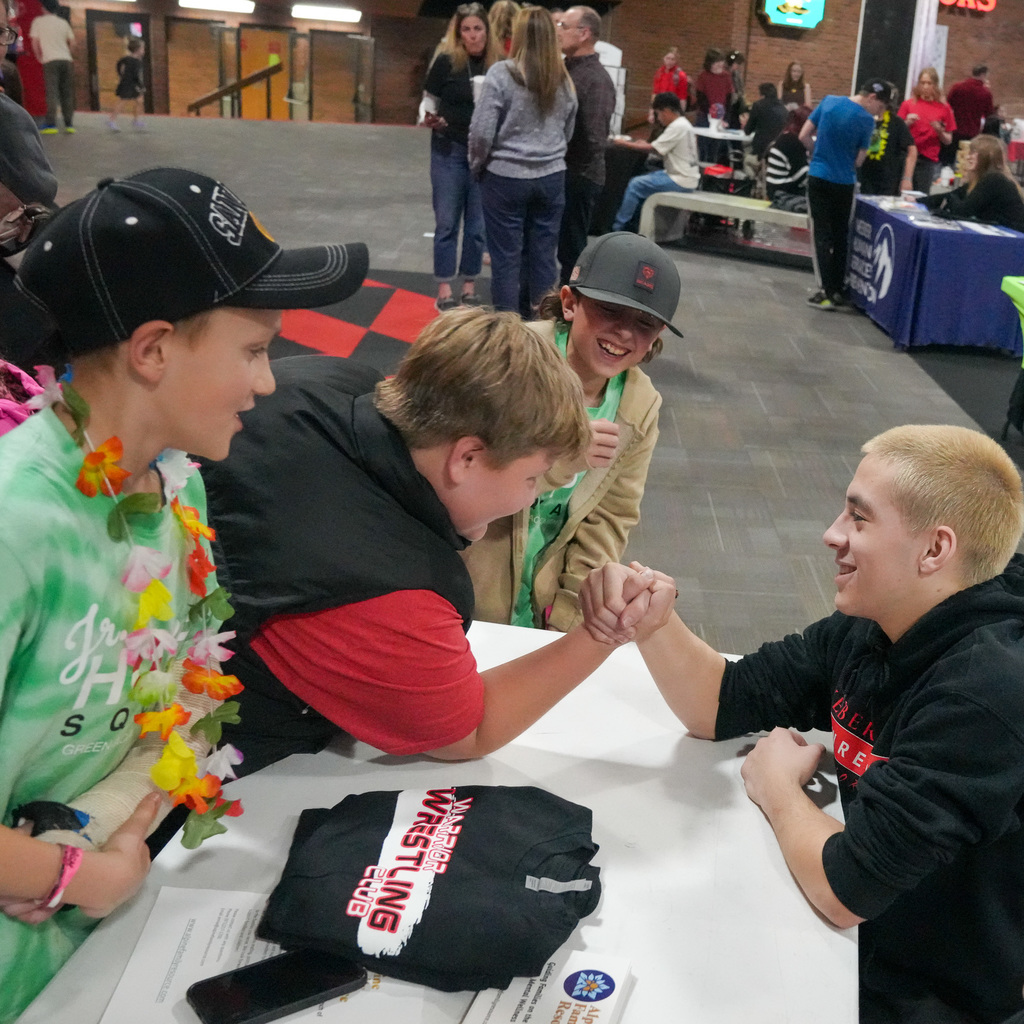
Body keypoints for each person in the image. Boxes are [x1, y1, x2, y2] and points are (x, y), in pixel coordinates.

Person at [0, 166, 368, 1023]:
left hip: (89, 939)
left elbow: (178, 703)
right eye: (253, 349)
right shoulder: (17, 524)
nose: (268, 382)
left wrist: (116, 832)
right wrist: (77, 873)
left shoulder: (177, 487)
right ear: (154, 349)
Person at [581, 423, 1024, 1024]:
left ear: (934, 550)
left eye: (859, 519)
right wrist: (655, 622)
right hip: (845, 931)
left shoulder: (986, 695)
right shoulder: (878, 620)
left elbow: (847, 891)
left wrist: (779, 789)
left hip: (924, 987)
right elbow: (721, 700)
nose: (830, 534)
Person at [196, 307, 643, 778]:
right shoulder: (387, 596)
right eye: (532, 477)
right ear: (466, 457)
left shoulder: (330, 376)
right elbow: (468, 733)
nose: (532, 495)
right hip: (202, 782)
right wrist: (599, 634)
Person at [463, 232, 678, 631]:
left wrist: (570, 612)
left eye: (645, 323)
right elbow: (462, 486)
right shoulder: (512, 361)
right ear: (569, 303)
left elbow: (610, 518)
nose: (624, 334)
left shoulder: (639, 404)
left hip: (537, 609)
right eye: (610, 310)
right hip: (465, 590)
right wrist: (562, 460)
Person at [468, 5, 577, 316]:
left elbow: (481, 132)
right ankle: (541, 327)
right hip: (551, 178)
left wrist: (477, 166)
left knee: (505, 259)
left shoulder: (502, 74)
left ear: (517, 34)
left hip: (505, 178)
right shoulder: (564, 79)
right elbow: (568, 130)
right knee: (544, 258)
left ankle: (509, 329)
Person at [421, 2, 498, 312]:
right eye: (465, 29)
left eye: (477, 28)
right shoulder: (446, 62)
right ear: (458, 32)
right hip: (448, 148)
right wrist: (430, 118)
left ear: (487, 31)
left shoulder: (497, 66)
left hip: (483, 155)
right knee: (447, 222)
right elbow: (428, 101)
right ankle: (443, 287)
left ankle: (469, 284)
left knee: (477, 226)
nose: (472, 35)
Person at [799, 79, 890, 310]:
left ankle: (825, 291)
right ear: (872, 97)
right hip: (845, 182)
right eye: (880, 107)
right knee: (841, 235)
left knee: (820, 234)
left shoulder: (829, 102)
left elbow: (803, 135)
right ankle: (838, 289)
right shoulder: (867, 122)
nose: (878, 114)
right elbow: (860, 160)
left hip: (819, 176)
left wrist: (817, 153)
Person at [554, 5, 615, 285]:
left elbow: (594, 139)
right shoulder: (567, 70)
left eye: (563, 26)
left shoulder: (595, 80)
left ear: (584, 33)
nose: (558, 32)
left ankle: (571, 312)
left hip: (579, 175)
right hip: (561, 171)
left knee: (571, 250)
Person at [610, 92, 698, 232]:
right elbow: (658, 146)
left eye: (658, 114)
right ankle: (635, 223)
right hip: (684, 176)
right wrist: (641, 143)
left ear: (666, 111)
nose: (659, 119)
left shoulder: (677, 126)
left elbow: (653, 148)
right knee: (646, 176)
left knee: (635, 185)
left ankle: (618, 227)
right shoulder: (684, 124)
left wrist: (623, 143)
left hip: (680, 179)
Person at [922, 134, 1024, 233]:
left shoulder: (994, 180)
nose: (968, 157)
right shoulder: (985, 179)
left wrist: (949, 199)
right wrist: (916, 201)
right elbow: (953, 195)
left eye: (973, 153)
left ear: (986, 157)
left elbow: (962, 211)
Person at [898, 67, 955, 195]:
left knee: (920, 196)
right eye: (922, 83)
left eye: (929, 83)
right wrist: (907, 122)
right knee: (900, 193)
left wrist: (939, 130)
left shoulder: (944, 109)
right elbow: (897, 131)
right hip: (906, 156)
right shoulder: (908, 104)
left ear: (935, 85)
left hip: (927, 159)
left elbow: (948, 140)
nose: (925, 86)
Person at [858, 84, 917, 197]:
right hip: (864, 177)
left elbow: (912, 150)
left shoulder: (896, 123)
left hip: (887, 182)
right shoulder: (864, 119)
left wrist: (907, 178)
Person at [29, 0, 74, 134]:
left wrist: (39, 57)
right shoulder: (63, 22)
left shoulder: (38, 21)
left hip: (50, 59)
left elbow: (35, 42)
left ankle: (51, 125)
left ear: (43, 7)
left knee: (52, 92)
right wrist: (67, 53)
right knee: (66, 92)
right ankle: (69, 124)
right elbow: (72, 42)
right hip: (66, 60)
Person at [765, 104, 810, 201]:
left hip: (776, 189)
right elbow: (801, 174)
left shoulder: (787, 137)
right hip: (783, 192)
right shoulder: (792, 141)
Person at [694, 48, 732, 163]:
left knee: (715, 149)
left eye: (721, 61)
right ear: (710, 63)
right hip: (705, 116)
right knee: (703, 148)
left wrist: (724, 117)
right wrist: (711, 114)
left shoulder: (726, 76)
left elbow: (729, 98)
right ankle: (701, 173)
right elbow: (701, 98)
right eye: (717, 62)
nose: (720, 64)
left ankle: (711, 175)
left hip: (720, 116)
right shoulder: (703, 76)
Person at [946, 64, 995, 148]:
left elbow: (947, 105)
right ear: (983, 75)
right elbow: (989, 114)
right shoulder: (985, 93)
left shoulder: (957, 87)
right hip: (973, 132)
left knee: (951, 158)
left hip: (955, 130)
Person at [741, 82, 788, 166]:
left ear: (762, 94)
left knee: (745, 159)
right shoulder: (783, 107)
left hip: (761, 150)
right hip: (777, 150)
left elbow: (748, 131)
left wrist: (745, 123)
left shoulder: (758, 105)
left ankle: (751, 178)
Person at [107, 37, 145, 132]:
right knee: (122, 101)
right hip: (129, 84)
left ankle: (136, 120)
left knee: (139, 100)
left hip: (128, 82)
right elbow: (137, 75)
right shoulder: (136, 62)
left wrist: (120, 74)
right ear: (137, 50)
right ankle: (112, 120)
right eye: (142, 49)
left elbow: (119, 64)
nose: (143, 51)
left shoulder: (126, 59)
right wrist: (141, 86)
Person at [650, 46, 687, 119]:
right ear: (663, 58)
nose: (669, 62)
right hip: (660, 109)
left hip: (673, 110)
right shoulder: (659, 73)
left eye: (672, 59)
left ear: (676, 60)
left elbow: (682, 98)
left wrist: (681, 115)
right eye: (667, 58)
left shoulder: (680, 75)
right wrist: (651, 112)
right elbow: (655, 93)